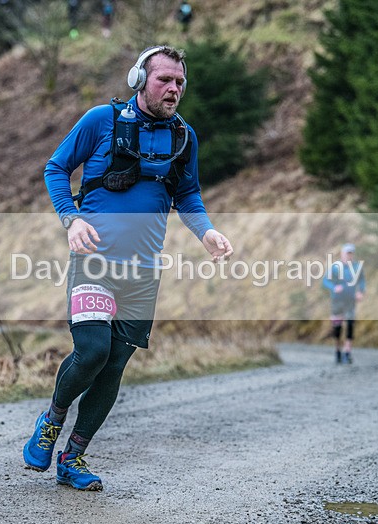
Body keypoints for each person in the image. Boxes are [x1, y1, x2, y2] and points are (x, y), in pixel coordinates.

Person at [23, 45, 233, 491]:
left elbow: (188, 196)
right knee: (94, 350)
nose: (174, 89)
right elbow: (56, 168)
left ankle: (73, 458)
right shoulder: (101, 120)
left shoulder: (184, 137)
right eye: (164, 80)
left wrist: (206, 232)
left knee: (115, 364)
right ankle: (52, 419)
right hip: (94, 261)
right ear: (140, 79)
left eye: (179, 82)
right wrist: (71, 218)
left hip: (142, 273)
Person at [323, 243, 365, 364]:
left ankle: (347, 352)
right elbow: (325, 280)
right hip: (337, 300)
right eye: (347, 253)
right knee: (337, 327)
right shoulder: (336, 267)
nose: (349, 256)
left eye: (351, 253)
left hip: (350, 300)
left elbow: (361, 280)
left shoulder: (357, 267)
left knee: (350, 324)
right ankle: (337, 350)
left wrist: (360, 292)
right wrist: (334, 287)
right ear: (342, 254)